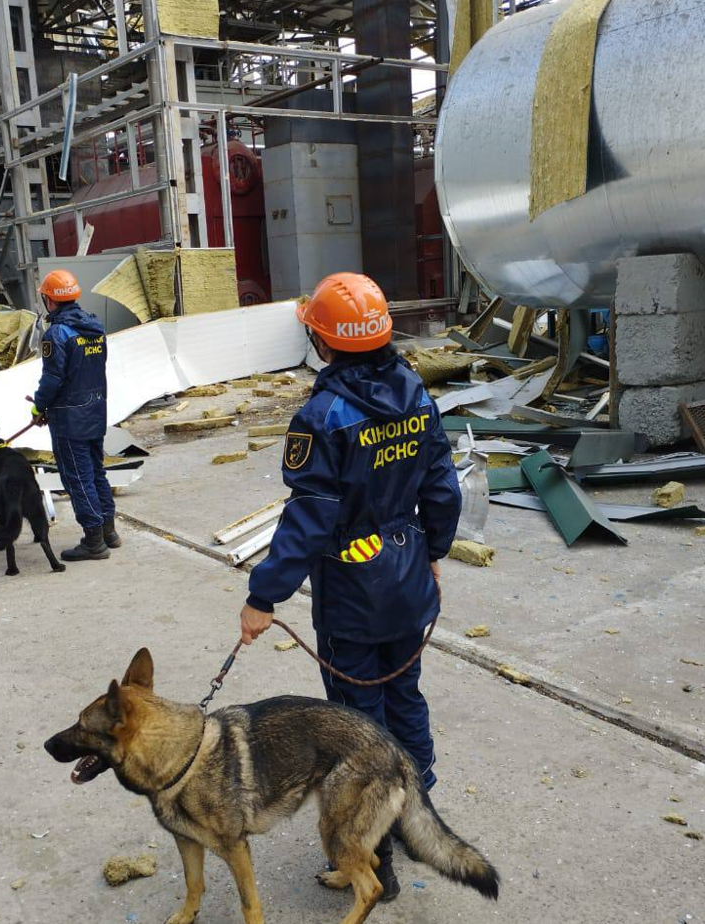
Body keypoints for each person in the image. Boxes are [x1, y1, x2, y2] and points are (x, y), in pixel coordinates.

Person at [236, 272, 462, 900]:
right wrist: (433, 551)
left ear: (324, 341)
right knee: (406, 700)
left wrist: (263, 596)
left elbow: (309, 520)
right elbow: (442, 487)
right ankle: (418, 820)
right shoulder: (416, 390)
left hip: (353, 594)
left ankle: (375, 864)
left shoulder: (324, 416)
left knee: (358, 730)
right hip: (407, 574)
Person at [31, 269, 119, 561]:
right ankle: (109, 531)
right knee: (96, 473)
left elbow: (53, 379)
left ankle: (94, 541)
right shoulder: (95, 326)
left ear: (51, 301)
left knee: (78, 478)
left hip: (70, 418)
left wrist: (39, 406)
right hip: (95, 411)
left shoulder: (57, 334)